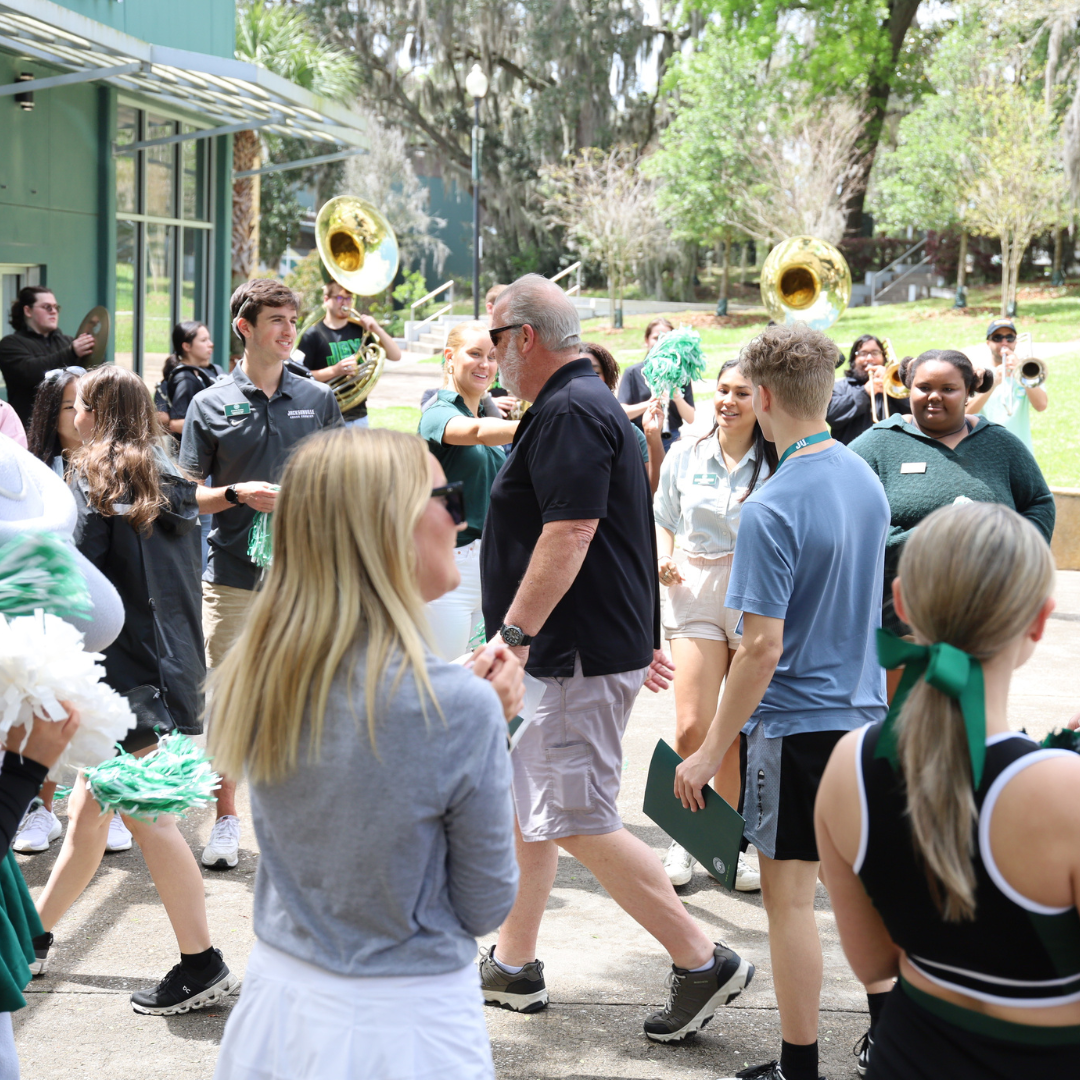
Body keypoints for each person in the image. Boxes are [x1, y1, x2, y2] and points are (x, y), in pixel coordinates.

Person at [479, 274, 753, 1042]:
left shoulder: (569, 408)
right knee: (532, 814)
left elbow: (572, 534)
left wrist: (515, 634)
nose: (494, 352)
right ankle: (514, 963)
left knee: (575, 820)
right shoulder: (583, 405)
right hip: (581, 651)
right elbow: (617, 536)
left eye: (497, 337)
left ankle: (702, 961)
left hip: (568, 655)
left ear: (524, 337)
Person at [208, 427, 523, 1080]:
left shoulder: (263, 666)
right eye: (450, 497)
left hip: (277, 1005)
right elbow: (485, 903)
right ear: (392, 526)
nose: (463, 517)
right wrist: (489, 724)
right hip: (407, 1026)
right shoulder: (457, 710)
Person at [673, 323, 892, 1080]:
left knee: (790, 904)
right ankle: (889, 1044)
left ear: (761, 395)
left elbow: (760, 648)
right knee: (862, 893)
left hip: (795, 730)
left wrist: (707, 751)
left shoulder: (771, 506)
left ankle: (799, 1068)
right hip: (864, 723)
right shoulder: (864, 476)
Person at [816, 502, 1080, 1079]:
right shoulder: (1065, 792)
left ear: (903, 603)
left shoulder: (848, 765)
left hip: (911, 1052)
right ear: (1039, 621)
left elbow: (873, 963)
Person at [31, 364, 239, 1017]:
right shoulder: (166, 476)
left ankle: (201, 964)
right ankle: (31, 940)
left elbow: (76, 594)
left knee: (150, 823)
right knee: (89, 817)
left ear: (98, 413)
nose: (75, 414)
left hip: (122, 685)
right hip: (167, 675)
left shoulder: (90, 482)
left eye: (81, 404)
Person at [179, 279, 342, 871]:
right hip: (231, 578)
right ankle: (226, 820)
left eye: (293, 319)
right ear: (244, 327)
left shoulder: (316, 399)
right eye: (276, 319)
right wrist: (236, 493)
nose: (288, 329)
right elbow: (187, 495)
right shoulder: (209, 404)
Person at [654, 359, 777, 894]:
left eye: (741, 393)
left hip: (756, 592)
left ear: (763, 399)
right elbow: (663, 515)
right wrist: (664, 556)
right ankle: (684, 838)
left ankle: (726, 844)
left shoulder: (779, 457)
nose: (728, 400)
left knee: (732, 731)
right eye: (722, 390)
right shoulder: (687, 450)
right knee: (691, 727)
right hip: (695, 587)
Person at [849, 349, 1055, 638]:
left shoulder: (1000, 444)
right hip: (898, 619)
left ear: (969, 392)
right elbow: (843, 513)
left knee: (973, 684)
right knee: (910, 684)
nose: (935, 396)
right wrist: (923, 542)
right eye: (924, 387)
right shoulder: (877, 444)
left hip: (985, 618)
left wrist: (1015, 553)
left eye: (948, 389)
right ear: (910, 388)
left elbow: (1039, 502)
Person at [418, 322, 518, 661]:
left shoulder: (481, 412)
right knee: (442, 683)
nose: (485, 365)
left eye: (492, 357)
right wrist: (542, 425)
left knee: (477, 683)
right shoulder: (438, 412)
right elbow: (476, 431)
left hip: (489, 568)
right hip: (450, 568)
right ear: (450, 357)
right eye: (474, 354)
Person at [295, 281, 402, 427]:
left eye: (349, 298)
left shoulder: (359, 330)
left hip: (358, 415)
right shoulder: (312, 335)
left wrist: (376, 328)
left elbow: (396, 355)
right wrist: (335, 370)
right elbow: (299, 378)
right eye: (339, 298)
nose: (345, 303)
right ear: (326, 300)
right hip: (326, 418)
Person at [0, 287, 95, 425]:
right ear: (27, 311)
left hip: (67, 427)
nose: (53, 311)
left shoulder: (67, 342)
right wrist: (71, 353)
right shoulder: (10, 344)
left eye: (56, 307)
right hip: (29, 428)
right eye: (47, 307)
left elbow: (91, 377)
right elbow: (30, 373)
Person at [582, 341, 665, 492]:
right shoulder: (552, 429)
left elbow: (651, 491)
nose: (585, 378)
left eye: (595, 373)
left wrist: (653, 435)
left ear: (607, 378)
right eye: (577, 371)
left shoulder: (630, 433)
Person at [965, 317, 1049, 452]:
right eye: (997, 338)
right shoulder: (978, 372)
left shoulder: (1028, 370)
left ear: (1016, 341)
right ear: (988, 342)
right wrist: (994, 383)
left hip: (1020, 450)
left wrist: (1021, 373)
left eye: (1009, 337)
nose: (1004, 342)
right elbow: (965, 413)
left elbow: (1041, 405)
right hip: (985, 450)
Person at [618, 317, 696, 451]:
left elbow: (690, 418)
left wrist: (677, 397)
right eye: (656, 337)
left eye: (666, 338)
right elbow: (622, 413)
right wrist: (651, 403)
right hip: (639, 439)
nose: (661, 341)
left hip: (671, 438)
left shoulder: (681, 373)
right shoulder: (633, 372)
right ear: (646, 340)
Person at [827, 335, 904, 445]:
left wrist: (892, 385)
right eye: (863, 353)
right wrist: (866, 391)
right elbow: (832, 416)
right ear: (853, 359)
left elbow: (913, 410)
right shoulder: (839, 387)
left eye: (875, 353)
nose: (869, 358)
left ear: (884, 358)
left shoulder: (897, 385)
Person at [25, 366, 83, 477]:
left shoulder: (116, 463)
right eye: (70, 407)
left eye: (87, 404)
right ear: (51, 416)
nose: (81, 413)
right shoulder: (35, 471)